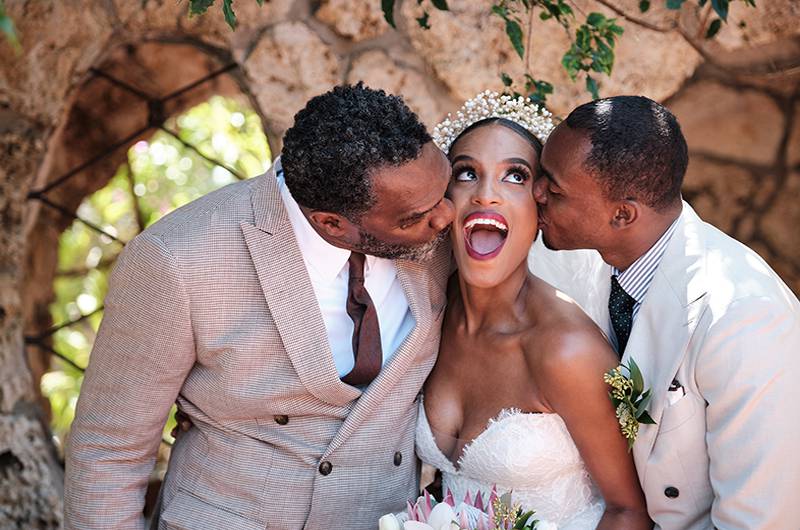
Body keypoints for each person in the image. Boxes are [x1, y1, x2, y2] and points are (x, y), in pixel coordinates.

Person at [64, 83, 455, 529]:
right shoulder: (176, 259)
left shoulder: (438, 243)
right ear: (332, 223)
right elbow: (109, 451)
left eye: (444, 190)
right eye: (414, 218)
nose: (445, 216)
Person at [531, 95, 800, 529]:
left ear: (622, 214)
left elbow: (758, 520)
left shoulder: (742, 317)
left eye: (554, 188)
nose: (536, 192)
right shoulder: (586, 262)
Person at [417, 91, 651, 529]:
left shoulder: (566, 349)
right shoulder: (428, 317)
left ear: (540, 207)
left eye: (515, 177)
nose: (486, 195)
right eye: (467, 173)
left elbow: (630, 511)